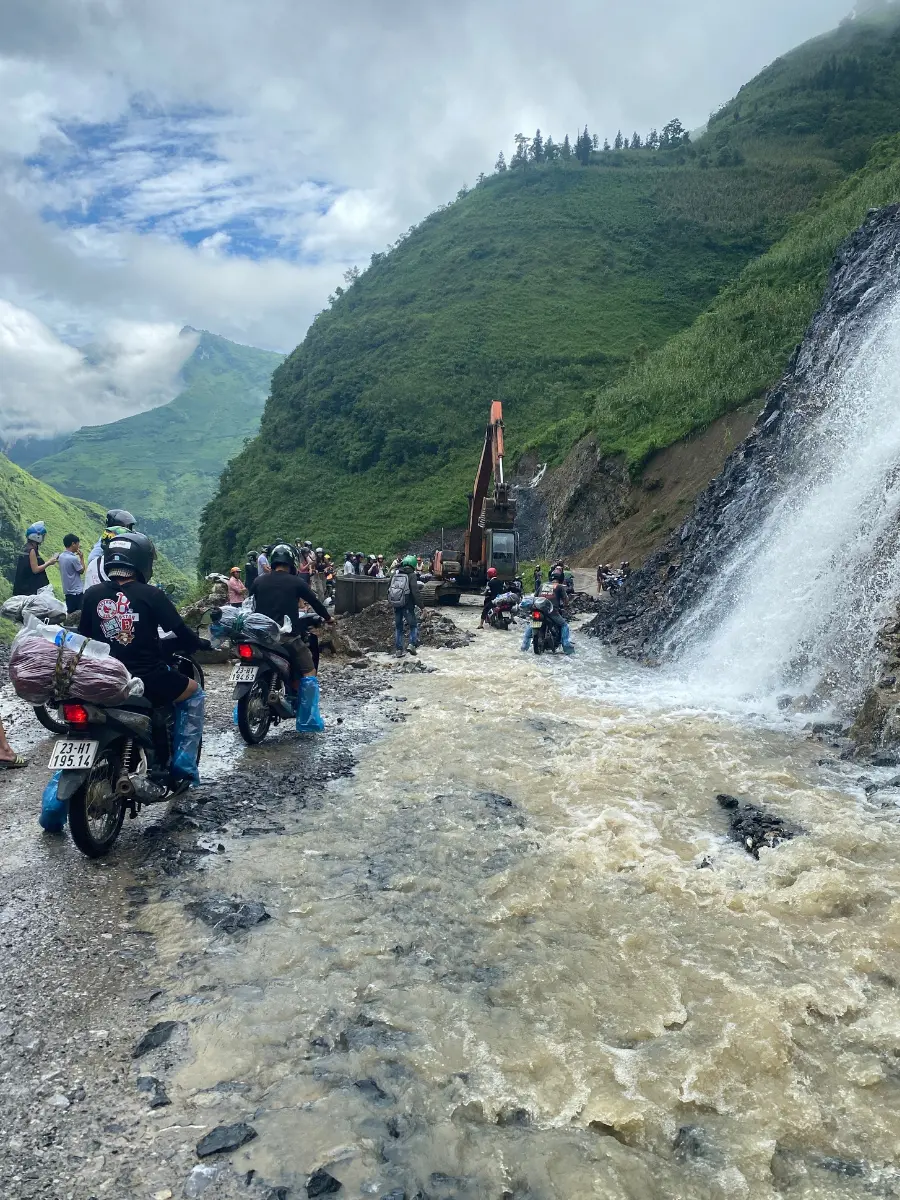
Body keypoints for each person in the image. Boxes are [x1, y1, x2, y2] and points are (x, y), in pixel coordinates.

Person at [79, 531, 208, 782]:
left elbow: (85, 636)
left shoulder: (92, 594)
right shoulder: (151, 595)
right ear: (141, 562)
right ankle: (183, 764)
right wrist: (201, 643)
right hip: (145, 677)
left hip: (102, 676)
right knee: (194, 693)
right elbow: (180, 632)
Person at [250, 544, 333, 732]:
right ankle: (307, 720)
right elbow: (316, 603)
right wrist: (328, 618)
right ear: (292, 562)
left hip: (259, 637)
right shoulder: (297, 583)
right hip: (286, 638)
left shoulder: (258, 581)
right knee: (309, 671)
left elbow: (250, 605)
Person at [13, 522, 59, 596]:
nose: (43, 538)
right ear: (37, 536)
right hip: (30, 590)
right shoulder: (31, 550)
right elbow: (35, 570)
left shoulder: (26, 547)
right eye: (42, 536)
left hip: (22, 588)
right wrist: (49, 562)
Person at [390, 555, 422, 657]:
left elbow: (388, 587)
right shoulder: (411, 575)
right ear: (413, 564)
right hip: (408, 606)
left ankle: (399, 650)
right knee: (413, 625)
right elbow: (415, 592)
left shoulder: (396, 572)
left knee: (398, 627)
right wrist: (422, 606)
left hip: (397, 604)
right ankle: (412, 644)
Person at [58, 534, 86, 613]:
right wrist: (81, 558)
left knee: (71, 614)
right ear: (73, 544)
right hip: (76, 593)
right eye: (78, 544)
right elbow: (81, 570)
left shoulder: (61, 556)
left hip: (68, 592)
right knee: (80, 615)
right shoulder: (73, 558)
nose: (78, 546)